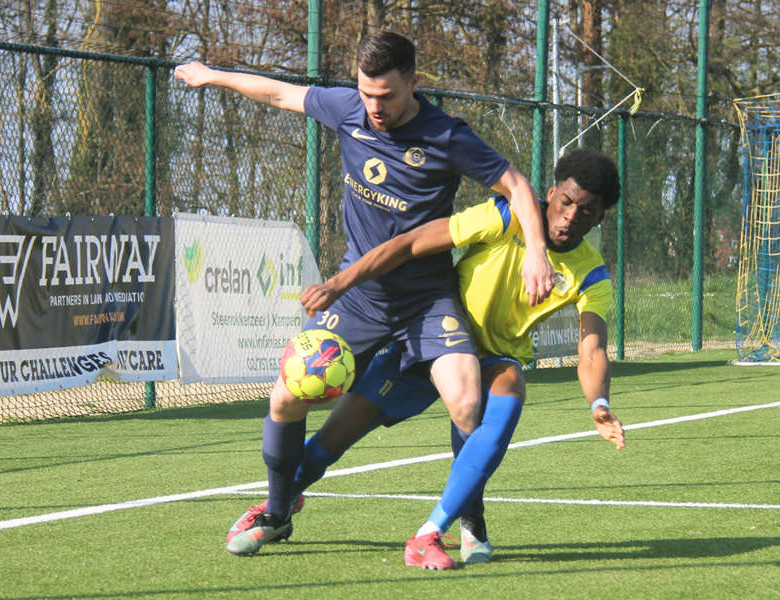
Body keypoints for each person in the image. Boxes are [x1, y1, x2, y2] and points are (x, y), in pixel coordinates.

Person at [175, 31, 555, 556]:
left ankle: (471, 520)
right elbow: (278, 93)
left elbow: (516, 185)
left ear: (413, 83)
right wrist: (212, 75)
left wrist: (536, 249)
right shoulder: (347, 109)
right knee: (285, 396)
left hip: (426, 299)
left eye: (387, 96)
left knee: (468, 404)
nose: (374, 106)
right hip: (358, 297)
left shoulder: (447, 136)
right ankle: (278, 512)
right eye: (366, 93)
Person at [240, 148, 625, 568]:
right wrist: (341, 283)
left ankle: (439, 530)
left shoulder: (591, 274)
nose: (570, 217)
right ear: (550, 194)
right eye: (566, 202)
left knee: (504, 396)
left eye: (586, 211)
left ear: (599, 219)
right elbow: (413, 243)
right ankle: (278, 509)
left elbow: (592, 350)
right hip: (429, 338)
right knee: (328, 445)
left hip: (495, 357)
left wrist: (599, 403)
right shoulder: (505, 215)